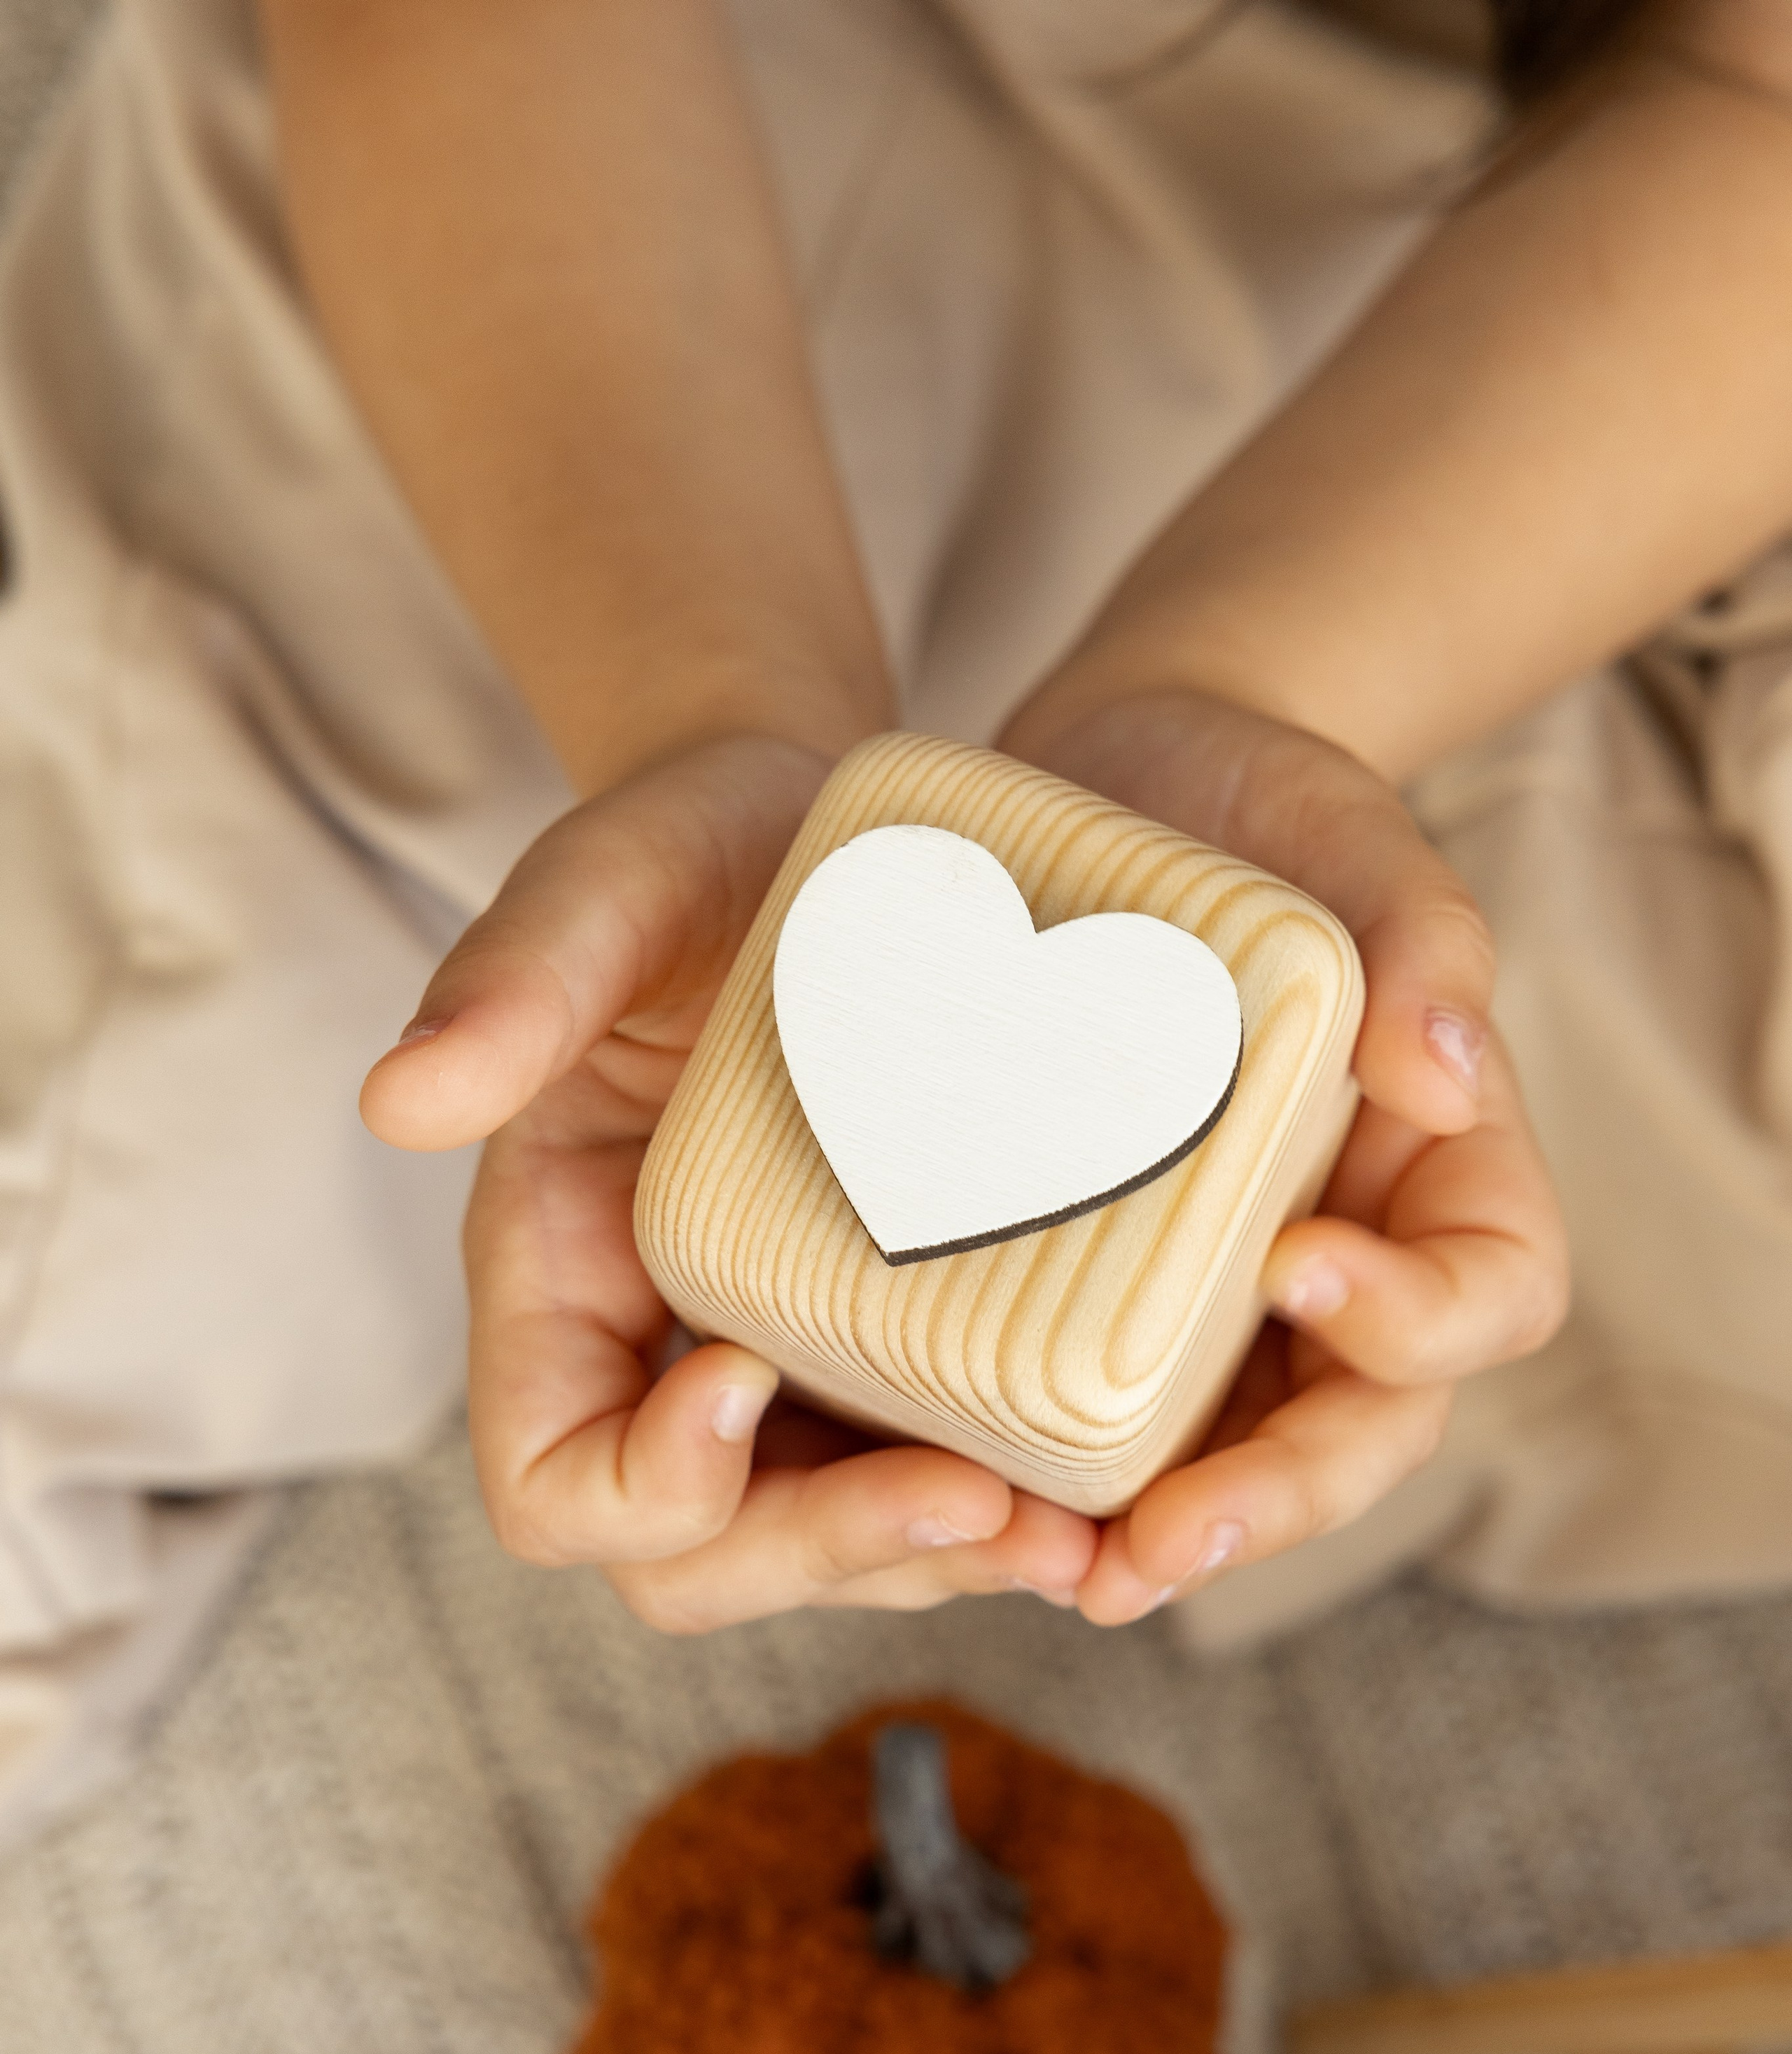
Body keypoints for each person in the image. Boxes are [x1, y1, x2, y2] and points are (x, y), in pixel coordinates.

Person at [2, 0, 1789, 1809]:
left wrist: (1246, 690)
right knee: (161, 1209)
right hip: (674, 212)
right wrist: (705, 708)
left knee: (1490, 1207)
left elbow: (1759, 101)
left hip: (1594, 361)